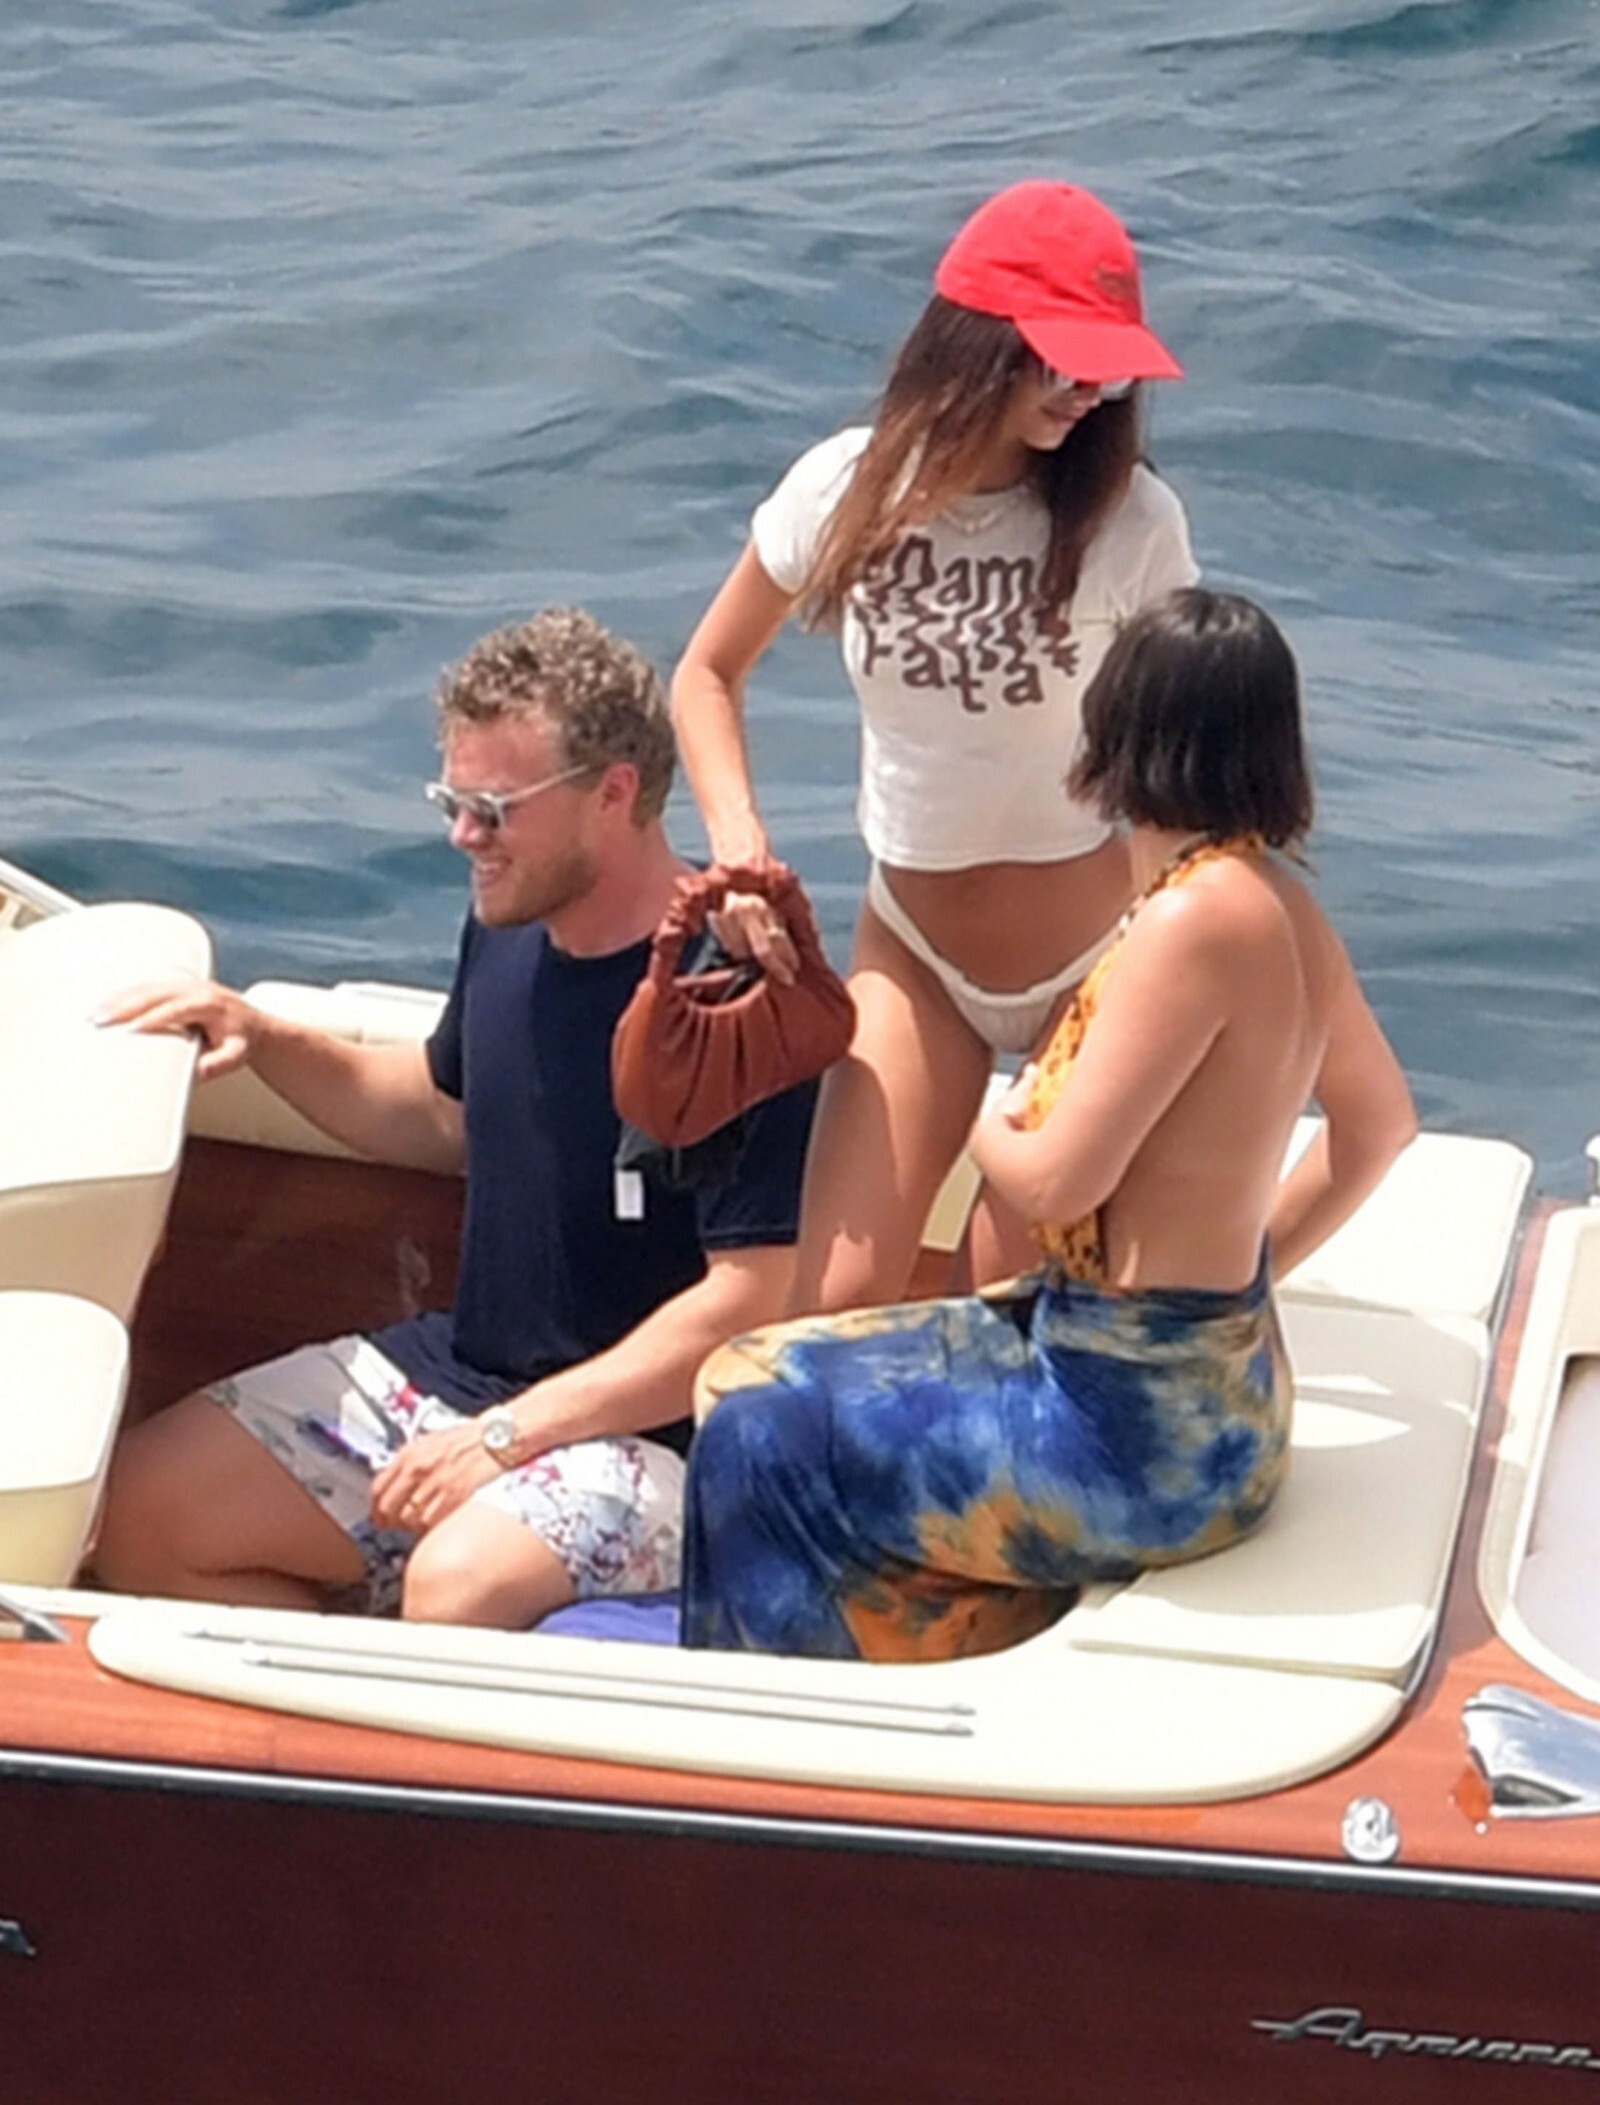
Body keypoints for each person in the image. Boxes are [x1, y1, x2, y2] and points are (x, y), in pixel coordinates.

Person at [678, 589, 1418, 1663]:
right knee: (777, 1367)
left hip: (1126, 1436)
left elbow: (1056, 1183)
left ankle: (785, 1717)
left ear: (1122, 727)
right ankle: (898, 1653)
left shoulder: (1187, 921)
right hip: (1226, 1399)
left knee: (752, 1419)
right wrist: (1233, 1277)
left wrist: (992, 1113)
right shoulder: (1286, 905)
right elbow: (1380, 1125)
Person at [94, 608, 815, 1630]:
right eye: (454, 802)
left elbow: (749, 1301)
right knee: (136, 1517)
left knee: (458, 1584)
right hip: (466, 1378)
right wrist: (262, 1034)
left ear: (612, 793)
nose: (462, 837)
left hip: (659, 1440)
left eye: (492, 809)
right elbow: (442, 1115)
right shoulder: (508, 927)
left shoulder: (733, 994)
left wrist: (509, 1437)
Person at [672, 178, 1197, 1314]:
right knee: (832, 1304)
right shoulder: (845, 487)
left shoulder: (1133, 522)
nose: (1086, 392)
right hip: (913, 952)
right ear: (976, 342)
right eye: (1060, 361)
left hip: (1093, 964)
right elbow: (706, 673)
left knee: (1002, 1305)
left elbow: (1183, 755)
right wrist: (740, 853)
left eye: (1106, 371)